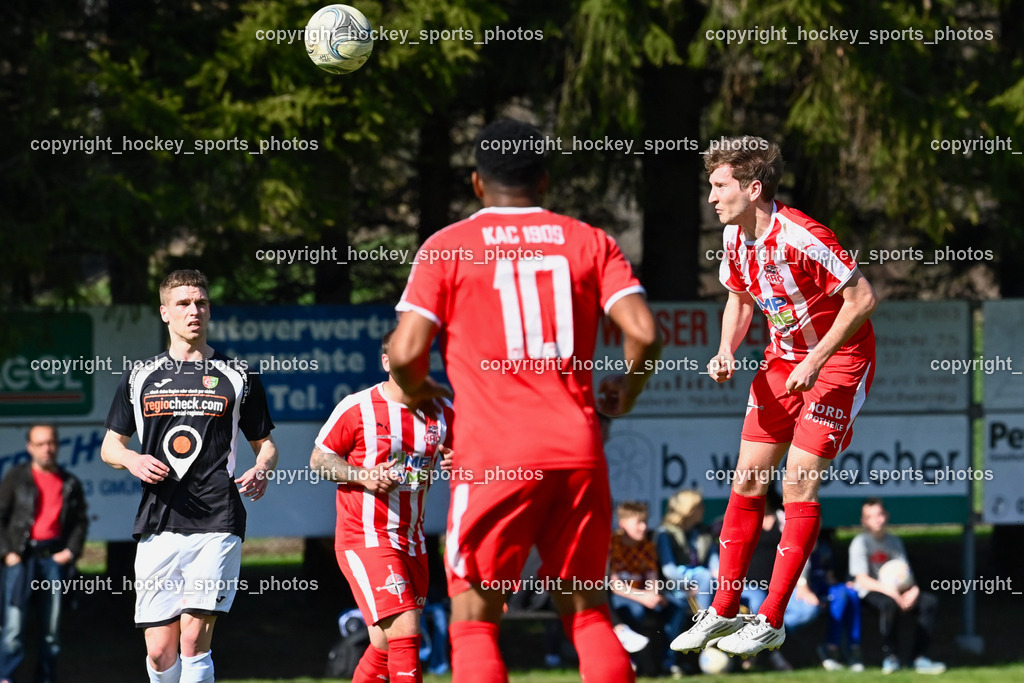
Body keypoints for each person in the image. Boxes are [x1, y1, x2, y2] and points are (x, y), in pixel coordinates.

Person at [386, 117, 662, 683]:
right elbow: (646, 334)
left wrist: (419, 389)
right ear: (544, 179)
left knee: (474, 620)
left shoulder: (448, 247)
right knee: (588, 616)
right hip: (578, 450)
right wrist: (627, 390)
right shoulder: (589, 241)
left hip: (494, 456)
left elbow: (407, 351)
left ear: (477, 183)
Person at [673, 136, 878, 658]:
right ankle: (721, 611)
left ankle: (771, 619)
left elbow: (862, 298)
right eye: (711, 186)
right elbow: (738, 300)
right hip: (784, 360)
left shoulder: (803, 236)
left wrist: (815, 360)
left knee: (797, 487)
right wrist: (725, 349)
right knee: (745, 479)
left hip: (838, 364)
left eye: (720, 186)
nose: (712, 197)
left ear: (754, 188)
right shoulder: (735, 239)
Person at [101, 269, 279, 683]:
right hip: (158, 521)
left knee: (193, 640)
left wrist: (262, 468)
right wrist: (131, 460)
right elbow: (111, 446)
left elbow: (266, 445)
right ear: (165, 312)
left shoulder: (239, 376)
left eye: (201, 302)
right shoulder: (140, 376)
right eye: (183, 303)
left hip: (218, 521)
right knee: (161, 654)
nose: (193, 311)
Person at [309, 329, 455, 683]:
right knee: (406, 633)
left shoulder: (442, 411)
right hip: (367, 537)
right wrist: (362, 474)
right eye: (404, 357)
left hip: (413, 540)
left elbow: (467, 457)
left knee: (384, 644)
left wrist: (459, 462)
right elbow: (319, 460)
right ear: (386, 362)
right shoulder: (357, 407)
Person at [0, 424, 88, 683]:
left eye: (50, 443)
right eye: (40, 444)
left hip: (52, 561)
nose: (46, 449)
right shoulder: (16, 478)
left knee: (51, 630)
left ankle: (45, 677)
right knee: (13, 627)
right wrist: (8, 553)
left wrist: (70, 551)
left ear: (57, 445)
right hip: (21, 560)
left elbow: (80, 522)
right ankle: (5, 676)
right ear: (29, 447)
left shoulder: (69, 482)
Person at [850, 498, 945, 674]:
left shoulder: (894, 542)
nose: (877, 519)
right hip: (872, 592)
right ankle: (890, 657)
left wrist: (914, 590)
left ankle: (918, 658)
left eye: (879, 514)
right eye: (871, 516)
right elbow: (862, 580)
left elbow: (905, 573)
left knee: (929, 603)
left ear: (886, 515)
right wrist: (893, 594)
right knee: (889, 604)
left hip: (899, 591)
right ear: (864, 521)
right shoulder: (859, 543)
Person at [607, 501, 669, 676]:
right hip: (620, 596)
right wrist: (643, 597)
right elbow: (615, 584)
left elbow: (651, 576)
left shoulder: (647, 546)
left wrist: (654, 594)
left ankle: (664, 662)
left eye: (645, 522)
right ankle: (629, 660)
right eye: (638, 523)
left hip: (640, 594)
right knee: (636, 611)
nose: (643, 527)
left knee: (668, 607)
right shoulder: (612, 545)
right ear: (622, 524)